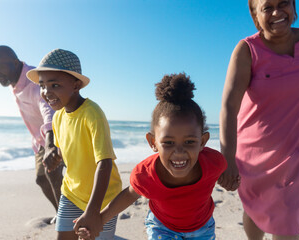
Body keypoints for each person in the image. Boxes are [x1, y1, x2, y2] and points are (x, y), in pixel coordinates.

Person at [218, 0, 299, 240]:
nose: (276, 12)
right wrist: (227, 158)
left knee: (287, 220)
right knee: (254, 210)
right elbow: (229, 107)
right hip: (254, 153)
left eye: (283, 3)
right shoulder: (246, 50)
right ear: (255, 17)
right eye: (267, 7)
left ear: (294, 7)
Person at [77, 73, 228, 240]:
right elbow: (129, 194)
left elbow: (227, 173)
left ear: (203, 141)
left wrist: (231, 178)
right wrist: (100, 219)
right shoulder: (145, 174)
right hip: (162, 228)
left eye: (189, 142)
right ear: (153, 142)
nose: (179, 152)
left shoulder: (214, 162)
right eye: (168, 143)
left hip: (203, 228)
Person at [26, 48, 122, 240]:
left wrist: (93, 210)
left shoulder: (92, 113)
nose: (46, 92)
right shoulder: (58, 117)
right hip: (71, 193)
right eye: (43, 85)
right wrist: (55, 156)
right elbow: (70, 150)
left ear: (76, 85)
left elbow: (104, 163)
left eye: (55, 85)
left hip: (102, 199)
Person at [0, 46, 63, 222]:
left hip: (58, 134)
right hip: (40, 140)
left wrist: (52, 145)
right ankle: (62, 213)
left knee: (53, 174)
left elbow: (49, 112)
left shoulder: (35, 81)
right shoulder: (13, 79)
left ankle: (68, 220)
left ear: (14, 63)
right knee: (41, 179)